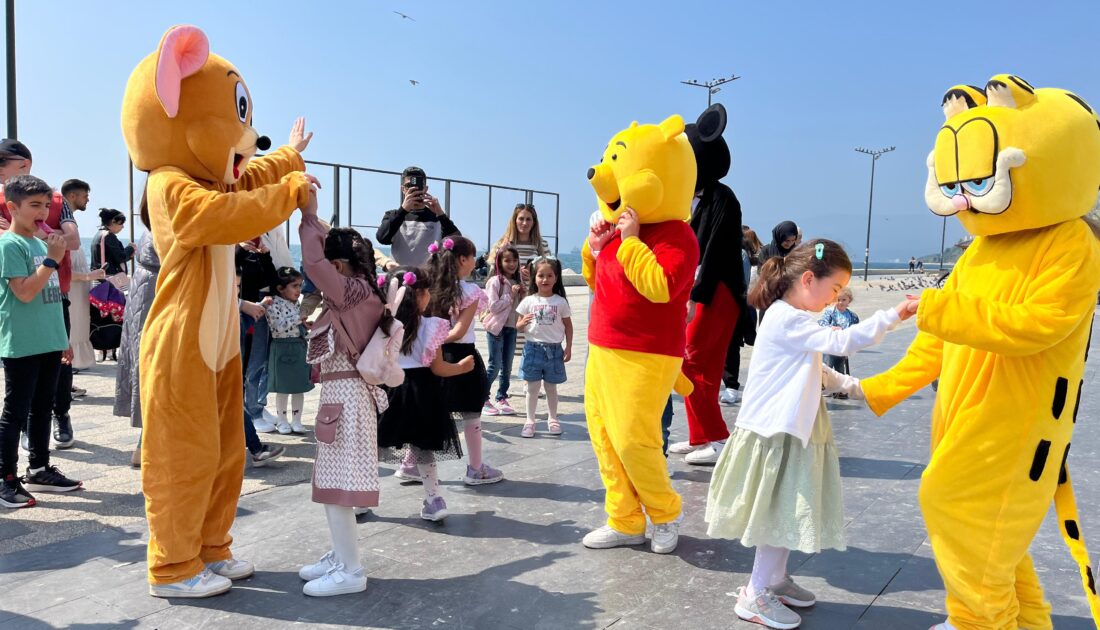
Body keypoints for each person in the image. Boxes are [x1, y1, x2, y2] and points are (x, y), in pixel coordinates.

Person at [705, 240, 917, 629]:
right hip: (777, 431)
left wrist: (856, 386)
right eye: (834, 290)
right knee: (778, 515)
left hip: (792, 427)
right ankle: (755, 594)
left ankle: (774, 580)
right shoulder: (789, 318)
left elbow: (817, 369)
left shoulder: (791, 317)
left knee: (785, 511)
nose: (834, 298)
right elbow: (842, 341)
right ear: (808, 279)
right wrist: (895, 314)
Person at [297, 211, 388, 597]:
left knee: (338, 487)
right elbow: (319, 263)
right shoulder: (362, 291)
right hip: (345, 397)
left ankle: (351, 569)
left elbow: (312, 264)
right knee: (334, 484)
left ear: (338, 265)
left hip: (347, 397)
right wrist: (314, 218)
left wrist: (306, 216)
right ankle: (342, 555)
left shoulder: (351, 292)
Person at [668, 103, 745, 466]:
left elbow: (713, 252)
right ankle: (702, 434)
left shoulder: (721, 198)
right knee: (703, 366)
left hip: (717, 291)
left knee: (692, 361)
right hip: (698, 290)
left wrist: (694, 296)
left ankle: (718, 438)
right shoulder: (689, 198)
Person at [0, 175, 84, 508]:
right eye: (35, 205)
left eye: (46, 206)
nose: (43, 212)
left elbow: (53, 296)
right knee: (15, 412)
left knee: (43, 408)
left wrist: (62, 338)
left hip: (49, 341)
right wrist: (52, 260)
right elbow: (23, 292)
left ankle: (38, 468)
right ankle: (5, 478)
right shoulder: (10, 245)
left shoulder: (40, 243)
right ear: (12, 207)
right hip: (21, 342)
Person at [377, 267, 473, 522]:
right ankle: (433, 499)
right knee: (423, 448)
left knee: (375, 445)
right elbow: (438, 367)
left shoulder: (384, 324)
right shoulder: (432, 326)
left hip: (390, 389)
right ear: (419, 294)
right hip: (423, 392)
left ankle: (359, 497)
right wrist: (461, 368)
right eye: (427, 290)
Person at [427, 235, 503, 485]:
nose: (474, 260)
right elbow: (459, 331)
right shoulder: (470, 291)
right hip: (462, 354)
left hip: (433, 356)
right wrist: (442, 339)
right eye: (472, 256)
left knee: (430, 410)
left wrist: (431, 343)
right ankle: (475, 467)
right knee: (471, 411)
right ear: (463, 259)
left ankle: (412, 464)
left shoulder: (431, 290)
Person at [113, 231, 159, 468]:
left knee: (148, 377)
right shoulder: (161, 255)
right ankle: (145, 447)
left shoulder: (146, 252)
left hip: (141, 319)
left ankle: (144, 445)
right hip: (155, 323)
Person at [516, 257, 572, 438]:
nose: (545, 279)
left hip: (554, 350)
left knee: (551, 388)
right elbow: (518, 325)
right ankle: (530, 421)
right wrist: (522, 323)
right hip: (532, 349)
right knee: (532, 388)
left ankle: (553, 418)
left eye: (549, 276)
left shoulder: (560, 302)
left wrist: (568, 347)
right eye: (541, 275)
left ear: (556, 278)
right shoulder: (528, 300)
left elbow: (568, 326)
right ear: (534, 278)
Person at [376, 166, 460, 267]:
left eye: (418, 186)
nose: (413, 189)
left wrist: (441, 215)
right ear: (402, 189)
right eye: (409, 186)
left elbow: (458, 243)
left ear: (425, 188)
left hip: (429, 279)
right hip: (401, 277)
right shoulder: (393, 215)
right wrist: (403, 211)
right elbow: (382, 238)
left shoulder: (437, 217)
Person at [236, 238, 280, 432]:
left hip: (260, 314)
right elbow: (231, 278)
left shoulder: (256, 254)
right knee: (246, 368)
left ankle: (256, 408)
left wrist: (265, 256)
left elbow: (272, 282)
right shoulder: (231, 251)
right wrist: (237, 249)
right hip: (240, 315)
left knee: (259, 364)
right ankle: (251, 412)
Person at [266, 267, 313, 434]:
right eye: (295, 286)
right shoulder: (272, 304)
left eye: (300, 286)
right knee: (283, 389)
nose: (299, 290)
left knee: (299, 387)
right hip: (282, 347)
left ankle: (297, 421)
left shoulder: (296, 303)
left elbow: (296, 324)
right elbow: (277, 327)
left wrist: (305, 325)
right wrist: (297, 318)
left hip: (298, 347)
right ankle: (282, 420)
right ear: (280, 288)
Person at [63, 180, 103, 373]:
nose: (88, 200)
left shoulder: (69, 222)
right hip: (71, 291)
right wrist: (89, 276)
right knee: (72, 328)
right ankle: (67, 374)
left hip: (77, 291)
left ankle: (69, 375)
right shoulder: (63, 225)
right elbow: (62, 269)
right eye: (85, 196)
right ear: (73, 196)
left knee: (77, 327)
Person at [480, 243, 524, 416]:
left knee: (507, 366)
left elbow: (519, 307)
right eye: (507, 260)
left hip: (511, 328)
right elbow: (493, 306)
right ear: (499, 262)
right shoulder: (495, 282)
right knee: (495, 365)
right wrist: (510, 295)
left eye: (514, 260)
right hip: (496, 329)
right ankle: (482, 397)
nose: (512, 264)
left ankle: (502, 397)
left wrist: (522, 294)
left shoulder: (516, 281)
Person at [720, 228, 763, 406]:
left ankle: (731, 385)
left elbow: (742, 284)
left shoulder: (740, 254)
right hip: (712, 304)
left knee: (731, 346)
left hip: (732, 305)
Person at [818, 287, 860, 398]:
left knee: (840, 368)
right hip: (830, 345)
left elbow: (855, 329)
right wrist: (832, 328)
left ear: (849, 301)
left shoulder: (852, 316)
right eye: (838, 299)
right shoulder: (830, 312)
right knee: (827, 367)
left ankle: (840, 389)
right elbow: (821, 323)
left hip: (842, 347)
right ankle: (824, 388)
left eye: (844, 300)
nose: (840, 302)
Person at [90, 208, 135, 276]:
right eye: (121, 223)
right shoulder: (109, 236)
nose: (123, 227)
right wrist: (131, 248)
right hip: (110, 280)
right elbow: (120, 257)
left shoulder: (99, 235)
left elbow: (112, 258)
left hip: (99, 278)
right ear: (113, 221)